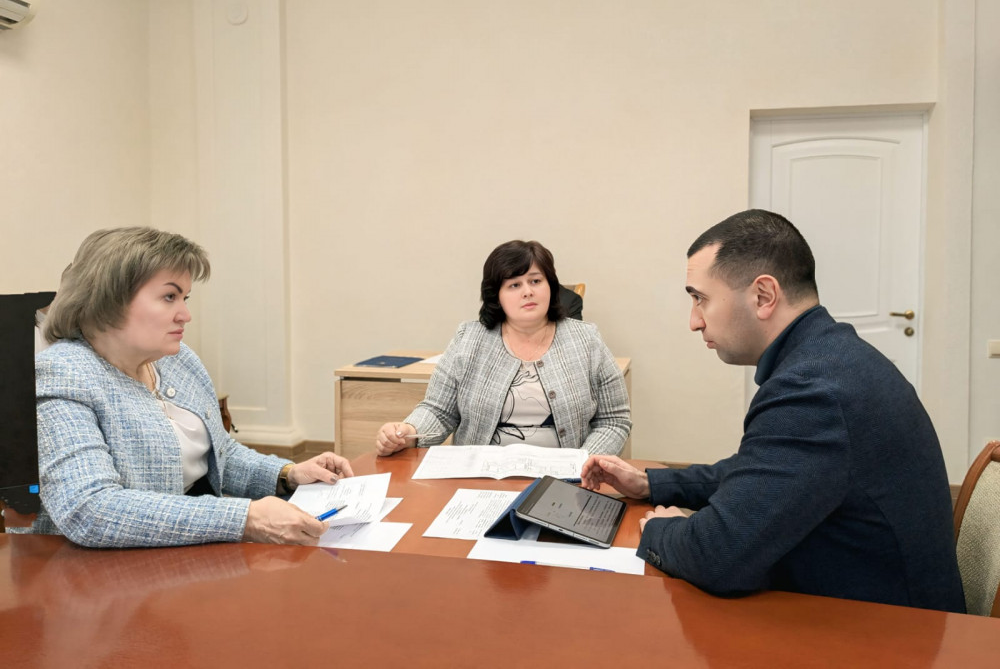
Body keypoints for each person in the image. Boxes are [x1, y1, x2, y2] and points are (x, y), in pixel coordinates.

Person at [581, 210, 965, 612]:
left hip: (889, 631)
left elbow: (716, 557)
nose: (694, 321)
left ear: (764, 296)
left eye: (700, 299)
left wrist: (662, 530)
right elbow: (761, 473)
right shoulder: (832, 358)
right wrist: (652, 484)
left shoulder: (811, 392)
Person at [11, 227, 353, 548]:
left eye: (185, 297)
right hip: (93, 574)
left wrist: (287, 474)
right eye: (169, 297)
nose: (185, 315)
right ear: (109, 300)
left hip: (182, 554)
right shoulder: (62, 374)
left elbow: (219, 454)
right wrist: (245, 518)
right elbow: (90, 510)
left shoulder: (177, 360)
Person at [375, 240, 630, 456]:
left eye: (535, 281)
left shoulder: (586, 339)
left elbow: (614, 420)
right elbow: (438, 410)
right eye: (514, 285)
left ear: (551, 286)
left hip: (565, 481)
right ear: (497, 295)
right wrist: (408, 431)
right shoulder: (469, 339)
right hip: (479, 478)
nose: (527, 292)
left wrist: (583, 464)